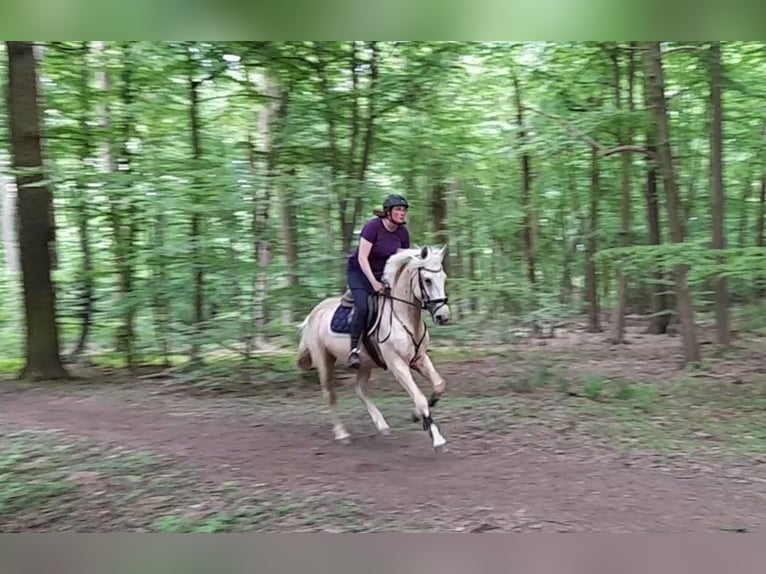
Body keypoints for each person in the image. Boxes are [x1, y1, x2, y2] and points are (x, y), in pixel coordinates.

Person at [345, 194, 410, 368]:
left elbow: (402, 262)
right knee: (364, 306)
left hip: (384, 274)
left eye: (404, 210)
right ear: (388, 212)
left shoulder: (403, 233)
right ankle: (354, 350)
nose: (402, 213)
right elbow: (362, 258)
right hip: (359, 272)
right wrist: (373, 283)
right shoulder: (372, 227)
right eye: (398, 209)